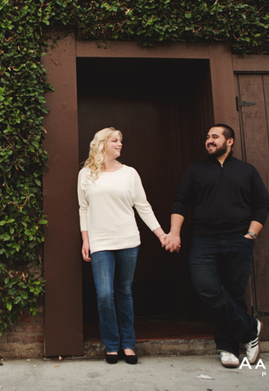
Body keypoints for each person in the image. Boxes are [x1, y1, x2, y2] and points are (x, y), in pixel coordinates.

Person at [164, 124, 269, 368]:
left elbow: (262, 203)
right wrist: (174, 233)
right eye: (207, 137)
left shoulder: (247, 170)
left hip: (238, 240)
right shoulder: (195, 170)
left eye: (215, 136)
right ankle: (250, 329)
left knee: (234, 294)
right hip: (204, 240)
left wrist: (251, 234)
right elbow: (181, 202)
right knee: (207, 287)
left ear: (229, 141)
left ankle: (228, 348)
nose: (209, 140)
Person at [78, 127, 168, 365]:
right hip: (100, 242)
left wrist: (161, 234)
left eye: (120, 141)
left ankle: (128, 344)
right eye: (115, 141)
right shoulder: (86, 174)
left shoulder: (130, 173)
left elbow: (143, 206)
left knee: (124, 291)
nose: (120, 144)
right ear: (102, 144)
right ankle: (111, 344)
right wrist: (86, 239)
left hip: (127, 240)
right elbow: (83, 208)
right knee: (105, 295)